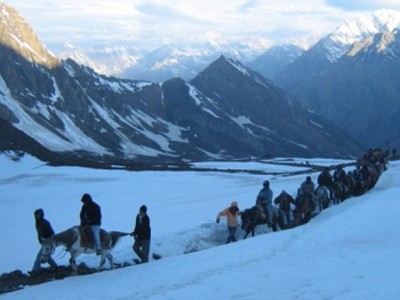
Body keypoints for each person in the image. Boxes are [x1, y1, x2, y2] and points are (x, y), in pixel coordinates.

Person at [31, 209, 58, 275]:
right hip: (43, 242)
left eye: (38, 215)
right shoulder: (37, 223)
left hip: (48, 242)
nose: (37, 216)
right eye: (36, 215)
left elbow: (52, 233)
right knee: (46, 255)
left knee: (40, 256)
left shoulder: (45, 223)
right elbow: (39, 233)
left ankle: (35, 270)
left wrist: (50, 241)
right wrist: (40, 240)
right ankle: (55, 266)